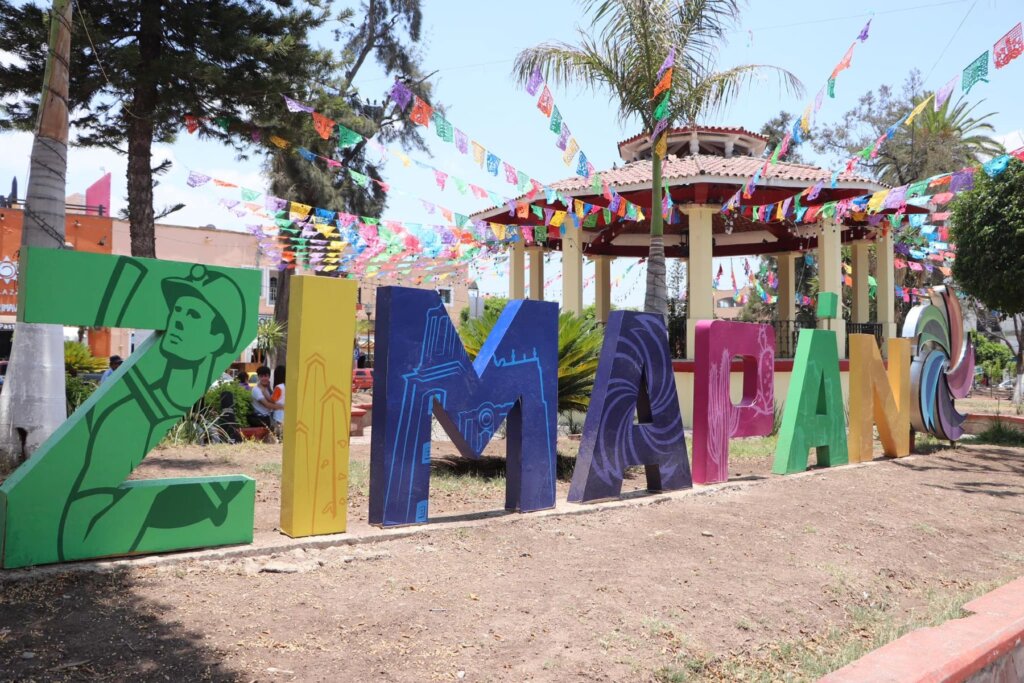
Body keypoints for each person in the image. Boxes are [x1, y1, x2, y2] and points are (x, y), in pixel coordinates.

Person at [249, 365, 281, 430]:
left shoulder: (266, 387)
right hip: (261, 420)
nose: (264, 378)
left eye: (266, 376)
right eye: (261, 376)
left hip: (268, 418)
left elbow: (272, 400)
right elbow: (267, 405)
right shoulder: (256, 390)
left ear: (269, 377)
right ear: (258, 377)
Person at [270, 365, 285, 432]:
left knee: (278, 432)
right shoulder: (287, 386)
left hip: (278, 414)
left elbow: (273, 400)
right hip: (285, 414)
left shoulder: (278, 387)